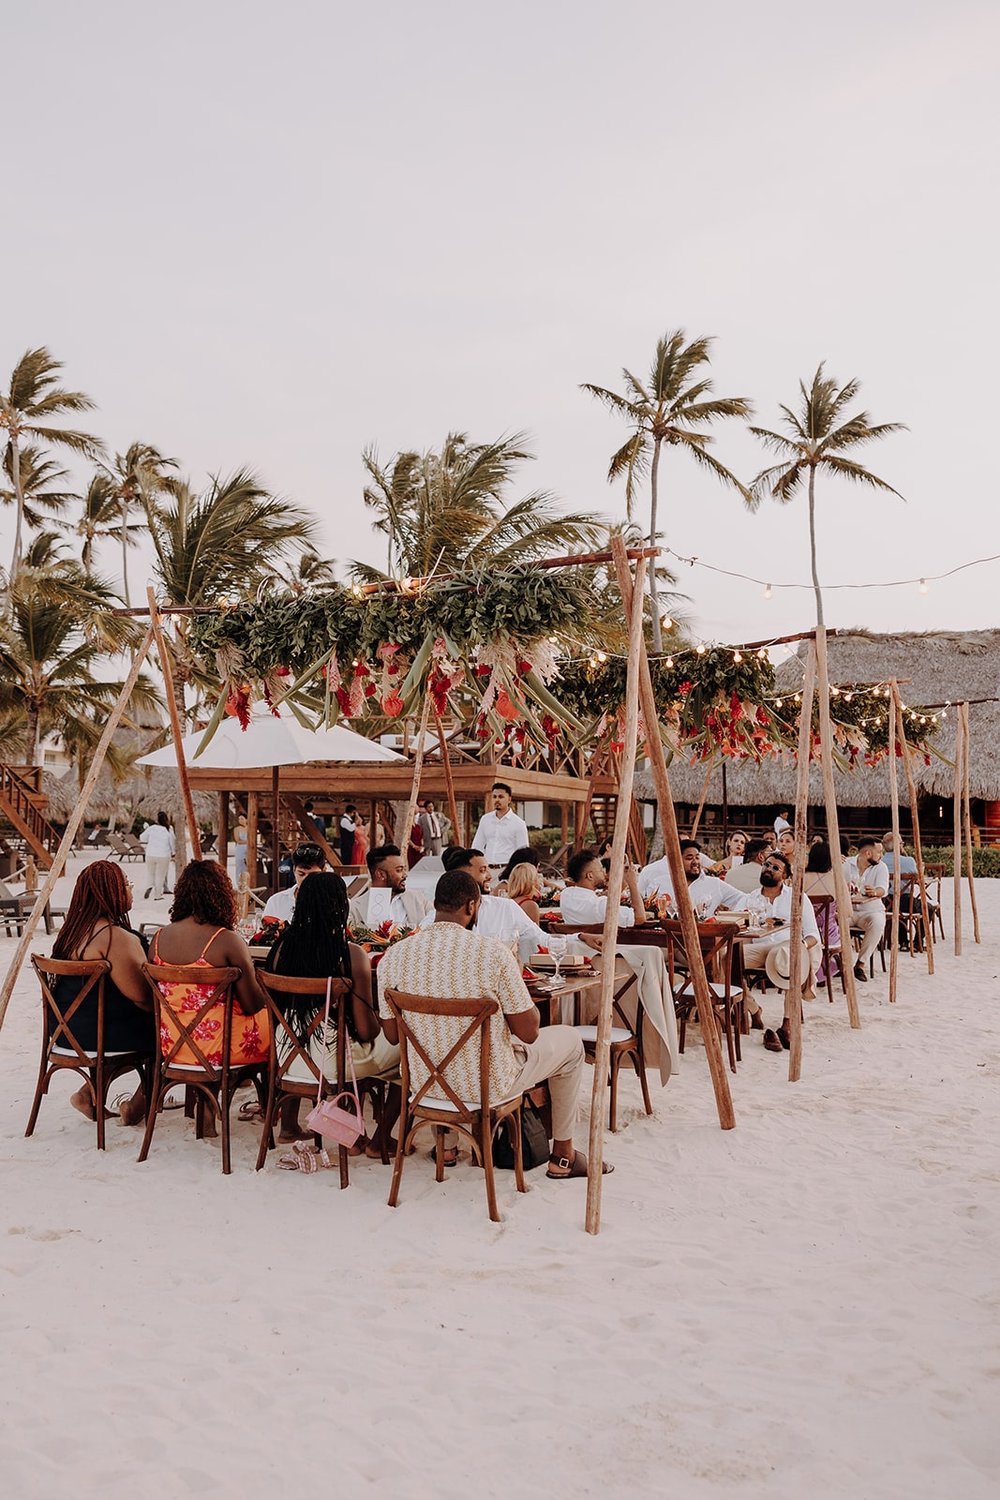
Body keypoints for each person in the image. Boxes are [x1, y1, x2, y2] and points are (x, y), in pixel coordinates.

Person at [378, 870, 610, 1179]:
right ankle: (563, 1155)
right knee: (570, 1043)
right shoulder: (491, 954)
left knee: (439, 1044)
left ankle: (445, 1147)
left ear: (436, 905)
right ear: (472, 907)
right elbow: (529, 1033)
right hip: (486, 1086)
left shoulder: (393, 957)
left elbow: (393, 1036)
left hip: (424, 1085)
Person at [267, 870, 400, 1157]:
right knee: (410, 1053)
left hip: (285, 1058)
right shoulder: (350, 955)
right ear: (342, 906)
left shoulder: (279, 950)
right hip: (329, 1062)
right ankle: (379, 1139)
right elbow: (367, 1031)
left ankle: (306, 1127)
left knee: (344, 1039)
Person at [148, 861, 271, 1113]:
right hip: (220, 1050)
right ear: (221, 895)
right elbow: (252, 1005)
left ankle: (205, 1104)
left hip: (173, 1048)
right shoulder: (226, 940)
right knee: (276, 1021)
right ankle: (274, 1114)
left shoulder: (159, 939)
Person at [49, 861, 155, 1125]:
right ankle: (137, 1106)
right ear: (114, 892)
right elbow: (142, 996)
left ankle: (88, 1094)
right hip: (97, 1037)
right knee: (167, 1035)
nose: (131, 891)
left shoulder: (71, 933)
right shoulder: (114, 938)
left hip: (63, 1032)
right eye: (128, 885)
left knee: (131, 1026)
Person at [420, 847, 577, 959]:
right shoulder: (434, 919)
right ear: (462, 876)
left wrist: (580, 937)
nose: (489, 876)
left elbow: (541, 939)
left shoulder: (505, 907)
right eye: (482, 871)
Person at [739, 852, 821, 1049]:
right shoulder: (750, 898)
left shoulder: (798, 898)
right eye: (767, 864)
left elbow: (813, 935)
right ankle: (753, 1008)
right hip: (759, 948)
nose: (769, 868)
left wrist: (800, 946)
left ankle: (787, 1024)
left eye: (776, 867)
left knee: (793, 957)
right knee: (725, 959)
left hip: (787, 950)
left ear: (784, 876)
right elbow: (735, 924)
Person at [638, 841, 749, 917]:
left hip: (704, 941)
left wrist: (730, 916)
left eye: (697, 857)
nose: (695, 862)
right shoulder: (660, 882)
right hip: (665, 940)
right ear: (676, 861)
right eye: (689, 858)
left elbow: (744, 899)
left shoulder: (714, 884)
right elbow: (644, 905)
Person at [349, 845, 431, 929]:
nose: (405, 875)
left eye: (404, 869)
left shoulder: (419, 899)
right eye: (399, 870)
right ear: (381, 874)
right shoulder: (355, 908)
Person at [560, 849, 646, 928]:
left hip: (574, 942)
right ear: (590, 876)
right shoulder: (600, 906)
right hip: (599, 944)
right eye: (601, 870)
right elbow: (640, 917)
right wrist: (632, 883)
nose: (604, 873)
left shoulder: (566, 895)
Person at [843, 837, 889, 982]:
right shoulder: (846, 864)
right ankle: (840, 962)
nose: (881, 855)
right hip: (848, 910)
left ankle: (860, 964)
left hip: (870, 911)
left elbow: (883, 889)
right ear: (868, 853)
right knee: (833, 922)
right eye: (879, 852)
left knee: (877, 923)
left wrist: (875, 892)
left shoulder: (881, 867)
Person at [803, 841, 841, 986]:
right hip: (829, 936)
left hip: (805, 935)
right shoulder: (836, 879)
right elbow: (847, 912)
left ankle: (816, 970)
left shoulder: (801, 878)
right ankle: (828, 968)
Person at [262, 844, 326, 924]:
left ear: (324, 871)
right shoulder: (276, 901)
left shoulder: (335, 902)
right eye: (301, 874)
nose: (306, 880)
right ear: (294, 870)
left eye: (312, 875)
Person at [472, 782, 530, 867]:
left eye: (501, 797)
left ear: (509, 799)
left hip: (507, 870)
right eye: (494, 797)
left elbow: (523, 853)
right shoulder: (485, 819)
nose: (497, 800)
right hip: (487, 870)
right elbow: (477, 846)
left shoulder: (518, 823)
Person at [140, 811, 175, 901]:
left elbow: (142, 838)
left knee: (150, 873)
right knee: (160, 876)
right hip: (163, 855)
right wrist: (173, 853)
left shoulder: (152, 828)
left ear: (157, 820)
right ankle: (157, 896)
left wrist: (147, 830)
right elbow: (172, 842)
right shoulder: (169, 829)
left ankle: (149, 886)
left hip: (150, 854)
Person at [233, 814, 249, 884]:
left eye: (242, 819)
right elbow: (238, 840)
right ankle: (239, 882)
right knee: (240, 866)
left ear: (246, 819)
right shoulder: (237, 829)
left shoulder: (250, 828)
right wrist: (248, 842)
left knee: (247, 866)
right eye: (239, 819)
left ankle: (247, 882)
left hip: (248, 849)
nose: (240, 820)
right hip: (240, 849)